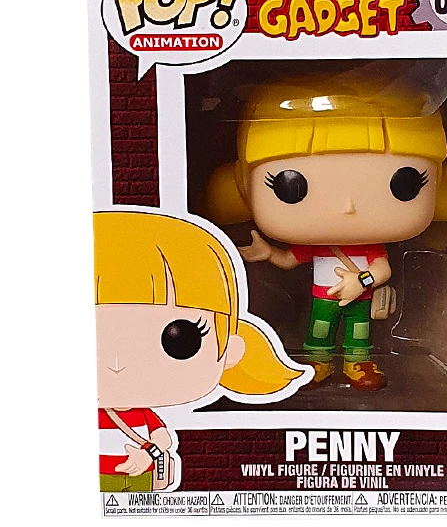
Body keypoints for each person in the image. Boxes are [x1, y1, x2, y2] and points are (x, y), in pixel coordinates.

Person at [206, 75, 447, 391]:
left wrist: (359, 282)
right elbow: (290, 259)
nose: (348, 207)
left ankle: (358, 363)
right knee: (319, 331)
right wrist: (269, 253)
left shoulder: (367, 247)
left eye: (404, 183)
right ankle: (318, 362)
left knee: (358, 332)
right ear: (242, 187)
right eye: (291, 186)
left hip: (359, 297)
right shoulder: (314, 245)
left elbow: (382, 270)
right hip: (323, 298)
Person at [95, 211, 305, 492]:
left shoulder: (143, 415)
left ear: (229, 349)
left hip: (140, 480)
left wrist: (147, 455)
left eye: (179, 339)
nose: (117, 364)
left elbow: (162, 438)